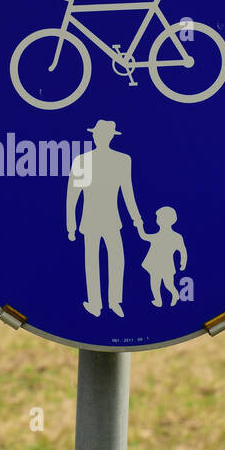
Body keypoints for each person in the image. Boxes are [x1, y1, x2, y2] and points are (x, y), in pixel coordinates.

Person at [66, 119, 142, 317]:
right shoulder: (82, 161)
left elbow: (128, 193)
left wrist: (137, 220)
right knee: (93, 262)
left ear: (109, 137)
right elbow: (73, 195)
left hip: (111, 220)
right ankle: (95, 304)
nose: (100, 137)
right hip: (90, 221)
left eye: (103, 134)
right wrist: (71, 226)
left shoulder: (122, 160)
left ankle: (114, 301)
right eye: (98, 134)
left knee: (116, 259)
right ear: (95, 136)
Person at [137, 206, 187, 307]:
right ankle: (158, 300)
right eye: (158, 218)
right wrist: (139, 226)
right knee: (154, 283)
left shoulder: (176, 237)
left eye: (159, 217)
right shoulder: (157, 235)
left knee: (168, 284)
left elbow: (183, 251)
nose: (157, 220)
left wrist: (183, 262)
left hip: (167, 265)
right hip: (155, 264)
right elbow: (144, 236)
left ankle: (175, 294)